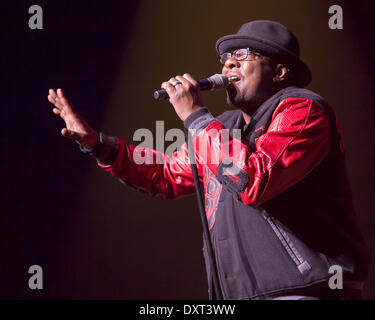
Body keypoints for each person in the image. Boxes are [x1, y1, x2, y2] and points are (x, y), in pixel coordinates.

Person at [48, 20, 369, 300]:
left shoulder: (303, 109)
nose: (228, 65)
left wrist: (196, 117)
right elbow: (163, 174)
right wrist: (97, 144)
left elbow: (252, 179)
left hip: (303, 290)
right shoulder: (224, 128)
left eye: (242, 56)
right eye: (226, 59)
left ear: (280, 70)